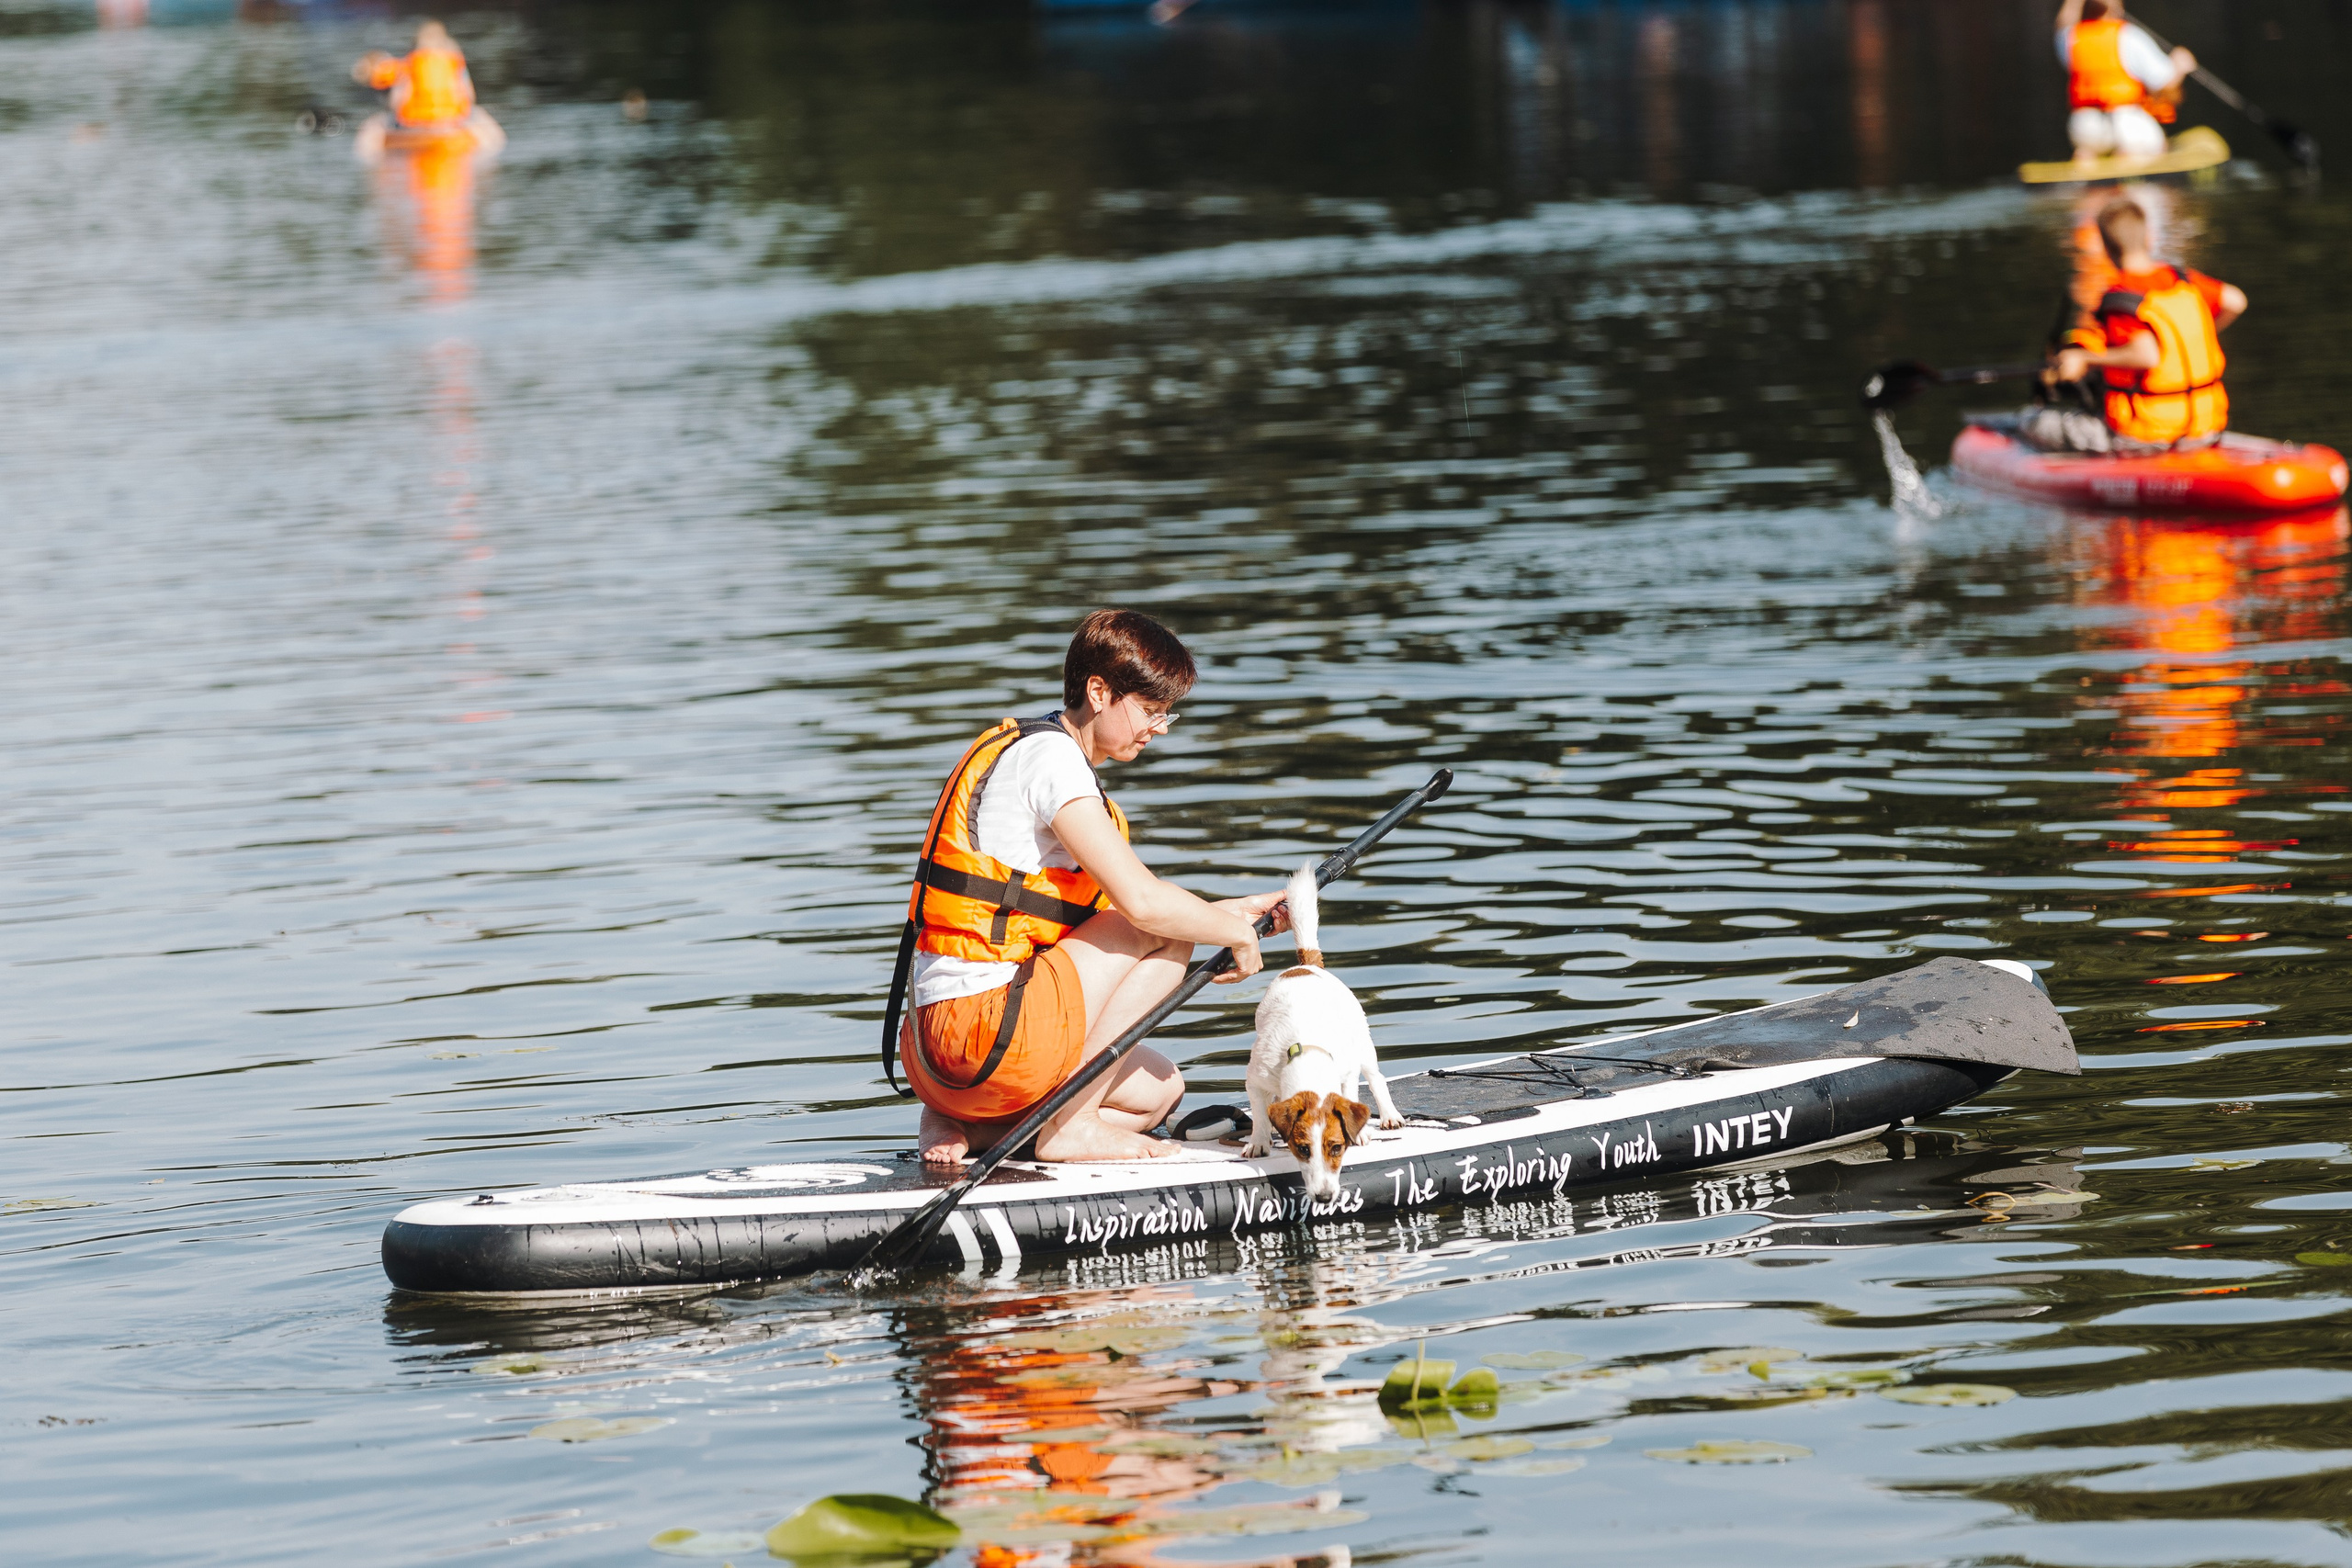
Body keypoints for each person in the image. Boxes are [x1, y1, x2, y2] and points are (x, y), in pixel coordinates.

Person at [888, 610, 1293, 1167]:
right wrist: (1230, 933)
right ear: (1099, 692)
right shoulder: (1053, 760)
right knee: (1170, 933)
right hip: (981, 1036)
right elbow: (1144, 908)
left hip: (935, 1062)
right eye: (1150, 710)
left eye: (1167, 713)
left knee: (1160, 1091)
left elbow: (1089, 922)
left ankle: (978, 1128)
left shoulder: (1027, 751)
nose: (1160, 728)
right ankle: (1071, 1127)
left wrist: (1235, 913)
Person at [2024, 196, 2243, 455]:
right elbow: (2236, 301)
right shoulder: (2182, 280)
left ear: (2106, 248)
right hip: (2206, 430)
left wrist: (2084, 358)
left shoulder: (2121, 297)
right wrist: (2192, 339)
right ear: (2149, 237)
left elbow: (2147, 355)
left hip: (2145, 438)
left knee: (2033, 422)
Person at [2055, 0, 2196, 164]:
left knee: (2088, 149)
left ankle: (2086, 156)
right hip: (2126, 122)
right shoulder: (2129, 36)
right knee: (2157, 144)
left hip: (2084, 125)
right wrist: (2179, 66)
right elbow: (2164, 84)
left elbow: (2063, 24)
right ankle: (2127, 157)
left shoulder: (2072, 38)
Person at [351, 21, 504, 156]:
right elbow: (469, 96)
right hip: (452, 126)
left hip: (412, 129)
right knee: (481, 116)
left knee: (376, 123)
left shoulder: (409, 64)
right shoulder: (455, 63)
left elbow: (397, 101)